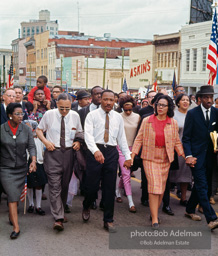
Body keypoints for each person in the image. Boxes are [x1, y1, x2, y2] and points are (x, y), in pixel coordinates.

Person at [131, 95, 185, 229]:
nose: (160, 107)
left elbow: (177, 141)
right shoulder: (147, 120)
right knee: (154, 187)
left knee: (160, 189)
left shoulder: (173, 123)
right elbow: (139, 139)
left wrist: (185, 155)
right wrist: (132, 155)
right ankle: (154, 218)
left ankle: (153, 212)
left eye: (163, 105)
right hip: (149, 157)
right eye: (158, 105)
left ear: (169, 108)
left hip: (165, 158)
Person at [82, 90, 131, 232]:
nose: (108, 102)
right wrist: (95, 151)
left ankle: (108, 219)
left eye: (111, 100)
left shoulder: (118, 117)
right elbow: (88, 136)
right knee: (91, 186)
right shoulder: (92, 116)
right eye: (105, 99)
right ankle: (87, 205)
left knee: (109, 187)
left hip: (111, 152)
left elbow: (121, 138)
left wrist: (127, 157)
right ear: (100, 100)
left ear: (115, 100)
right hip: (94, 151)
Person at [36, 93, 83, 231]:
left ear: (71, 105)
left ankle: (60, 210)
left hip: (68, 154)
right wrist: (45, 141)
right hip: (53, 153)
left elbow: (80, 132)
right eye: (61, 108)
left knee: (64, 185)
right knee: (54, 185)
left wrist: (78, 142)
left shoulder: (75, 115)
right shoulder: (49, 114)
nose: (64, 111)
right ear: (56, 104)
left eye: (67, 108)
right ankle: (58, 218)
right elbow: (39, 130)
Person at [182, 85, 218, 230]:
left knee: (202, 186)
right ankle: (211, 218)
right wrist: (189, 155)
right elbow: (186, 138)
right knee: (202, 186)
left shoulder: (216, 113)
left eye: (211, 97)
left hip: (211, 157)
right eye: (206, 97)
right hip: (196, 157)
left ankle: (190, 209)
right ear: (200, 99)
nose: (209, 100)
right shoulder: (192, 114)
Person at [0, 103, 36, 239]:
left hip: (21, 168)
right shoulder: (2, 129)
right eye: (17, 114)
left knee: (15, 196)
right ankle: (16, 227)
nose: (21, 116)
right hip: (5, 169)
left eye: (22, 113)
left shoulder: (26, 130)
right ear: (10, 115)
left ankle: (11, 215)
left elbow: (31, 146)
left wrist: (33, 161)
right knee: (12, 195)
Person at [115, 95, 140, 213]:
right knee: (126, 173)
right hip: (120, 147)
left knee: (127, 171)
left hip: (132, 147)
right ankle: (131, 202)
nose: (128, 112)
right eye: (126, 110)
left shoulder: (138, 117)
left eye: (130, 109)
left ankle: (118, 190)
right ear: (122, 108)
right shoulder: (117, 117)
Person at [170, 94, 192, 206]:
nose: (185, 102)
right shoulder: (173, 115)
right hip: (174, 148)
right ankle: (165, 200)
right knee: (171, 174)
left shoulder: (192, 114)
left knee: (185, 174)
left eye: (187, 100)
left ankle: (183, 198)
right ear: (178, 102)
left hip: (187, 148)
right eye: (183, 100)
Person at [25, 120, 47, 216]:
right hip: (27, 162)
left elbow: (44, 151)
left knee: (39, 184)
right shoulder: (24, 139)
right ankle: (31, 204)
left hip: (39, 163)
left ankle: (38, 206)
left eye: (28, 127)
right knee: (29, 184)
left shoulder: (40, 139)